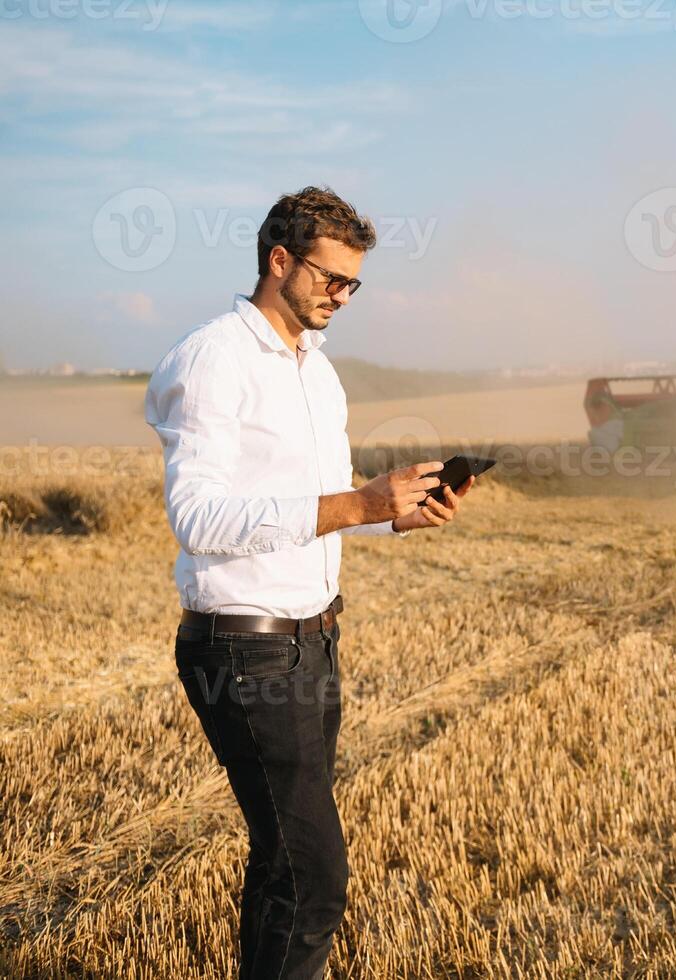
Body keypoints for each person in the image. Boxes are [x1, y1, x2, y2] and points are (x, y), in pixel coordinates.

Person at [144, 186, 474, 979]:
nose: (342, 295)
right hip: (247, 651)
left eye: (353, 283)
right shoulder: (215, 358)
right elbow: (197, 517)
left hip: (316, 640)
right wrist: (359, 500)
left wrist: (390, 513)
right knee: (316, 878)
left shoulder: (317, 374)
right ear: (279, 260)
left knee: (284, 863)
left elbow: (318, 510)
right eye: (331, 277)